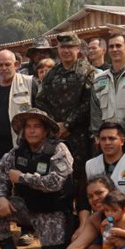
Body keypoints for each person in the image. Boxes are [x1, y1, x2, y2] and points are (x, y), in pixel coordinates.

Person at [0, 108, 74, 249]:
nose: (32, 130)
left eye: (37, 126)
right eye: (28, 126)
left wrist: (22, 178)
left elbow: (56, 182)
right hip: (26, 207)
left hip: (52, 212)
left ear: (46, 130)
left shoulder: (58, 150)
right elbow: (0, 178)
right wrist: (2, 198)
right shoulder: (16, 152)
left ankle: (68, 241)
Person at [36, 33, 95, 192]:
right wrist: (55, 125)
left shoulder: (88, 71)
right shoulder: (52, 73)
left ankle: (81, 213)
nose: (66, 51)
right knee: (58, 174)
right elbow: (41, 101)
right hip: (56, 135)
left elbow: (89, 102)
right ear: (58, 49)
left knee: (80, 176)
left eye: (70, 47)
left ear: (78, 49)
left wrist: (68, 124)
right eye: (63, 47)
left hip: (79, 135)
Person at [79, 123, 125, 227]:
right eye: (103, 139)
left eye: (112, 138)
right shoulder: (90, 165)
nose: (107, 142)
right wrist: (83, 227)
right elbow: (84, 201)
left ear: (122, 141)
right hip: (100, 222)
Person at [89, 34, 125, 156]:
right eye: (111, 46)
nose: (114, 49)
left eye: (118, 46)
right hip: (105, 142)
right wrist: (100, 135)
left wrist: (117, 134)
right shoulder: (99, 78)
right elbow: (95, 111)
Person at [0, 50, 37, 174]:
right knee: (0, 182)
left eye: (7, 64)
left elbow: (42, 115)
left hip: (23, 145)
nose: (4, 68)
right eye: (0, 65)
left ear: (16, 64)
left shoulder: (29, 83)